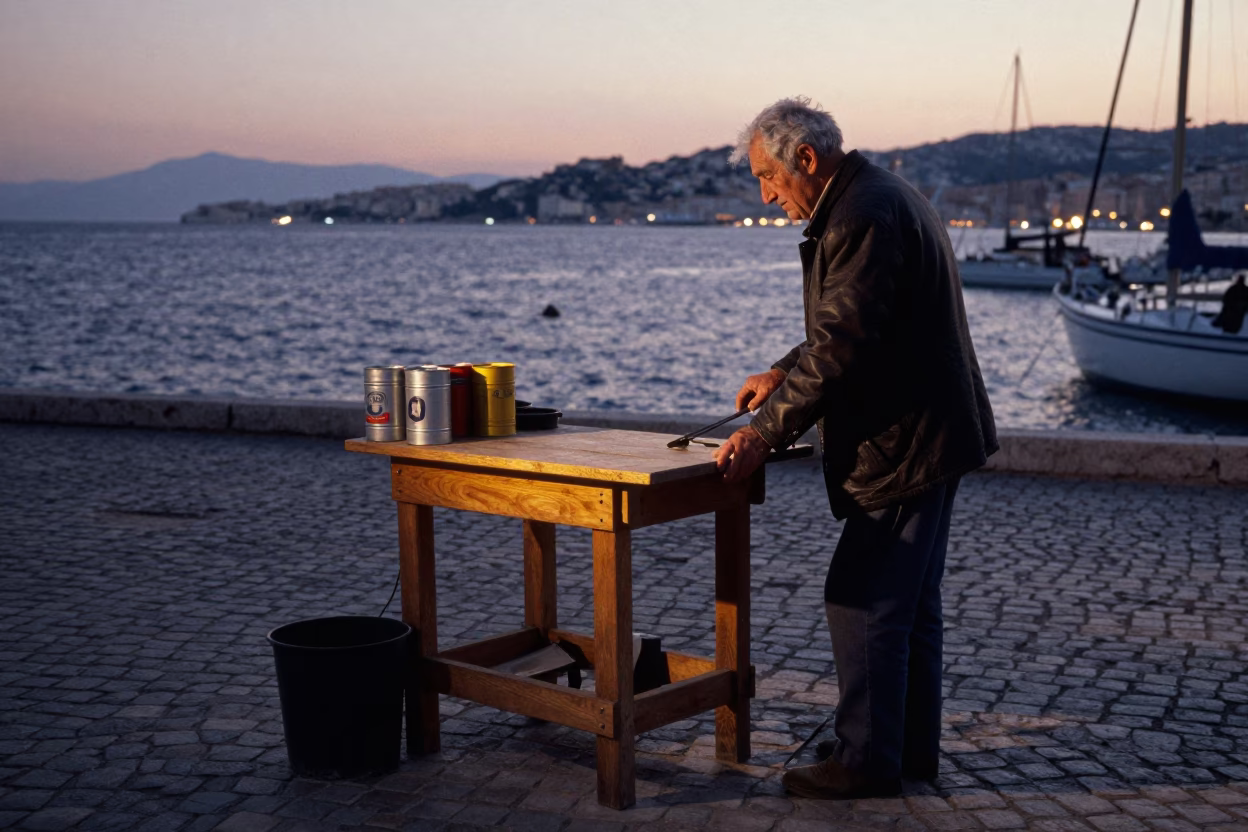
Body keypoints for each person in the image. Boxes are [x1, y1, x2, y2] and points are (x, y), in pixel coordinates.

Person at [712, 97, 998, 800]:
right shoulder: (881, 194)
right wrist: (783, 372)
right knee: (909, 605)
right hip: (936, 430)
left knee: (864, 598)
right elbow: (857, 318)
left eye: (768, 177)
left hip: (907, 442)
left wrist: (763, 432)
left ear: (805, 160)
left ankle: (867, 761)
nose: (766, 195)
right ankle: (910, 754)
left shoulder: (862, 213)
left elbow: (844, 345)